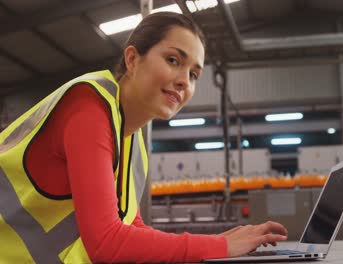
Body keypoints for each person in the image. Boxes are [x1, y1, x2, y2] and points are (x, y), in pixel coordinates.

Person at [0, 12, 288, 263]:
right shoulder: (88, 107)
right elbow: (106, 243)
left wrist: (217, 242)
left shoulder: (132, 141)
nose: (184, 81)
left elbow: (132, 229)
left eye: (194, 74)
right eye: (173, 60)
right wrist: (220, 246)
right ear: (132, 59)